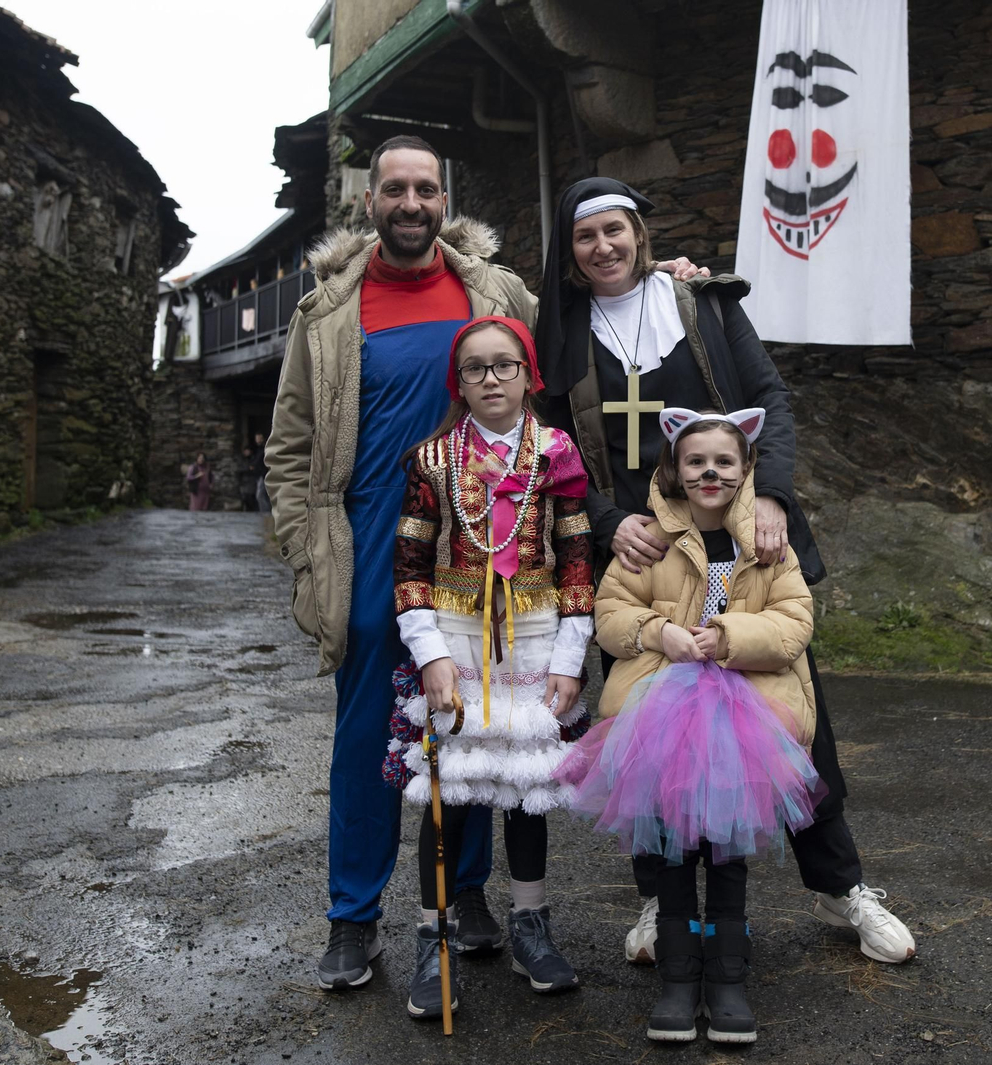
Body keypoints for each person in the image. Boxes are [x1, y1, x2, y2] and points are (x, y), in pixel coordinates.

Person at [264, 135, 706, 991]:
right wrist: (303, 545)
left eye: (424, 188)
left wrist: (666, 285)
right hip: (364, 540)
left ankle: (463, 896)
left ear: (443, 200)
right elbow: (290, 447)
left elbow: (587, 327)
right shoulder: (326, 312)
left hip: (487, 544)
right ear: (371, 203)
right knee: (367, 737)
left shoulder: (495, 291)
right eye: (394, 189)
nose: (410, 203)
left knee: (473, 715)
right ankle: (353, 918)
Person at [534, 177, 916, 966]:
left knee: (796, 727)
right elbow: (558, 453)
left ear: (640, 233)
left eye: (615, 230)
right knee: (644, 737)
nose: (603, 247)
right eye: (585, 237)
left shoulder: (699, 304)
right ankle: (658, 901)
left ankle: (845, 887)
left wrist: (770, 489)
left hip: (743, 543)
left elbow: (768, 396)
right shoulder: (562, 334)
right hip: (640, 558)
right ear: (568, 255)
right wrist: (610, 522)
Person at [560, 408, 823, 1044]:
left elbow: (795, 621)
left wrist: (731, 633)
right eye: (696, 461)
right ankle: (678, 978)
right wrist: (659, 632)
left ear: (747, 469)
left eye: (724, 462)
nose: (710, 472)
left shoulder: (766, 546)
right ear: (674, 470)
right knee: (671, 846)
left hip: (747, 711)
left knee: (727, 849)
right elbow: (610, 611)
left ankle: (726, 978)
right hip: (660, 710)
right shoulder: (650, 540)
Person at [384, 315, 592, 1019]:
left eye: (505, 365)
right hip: (455, 637)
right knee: (450, 792)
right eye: (475, 368)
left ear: (529, 374)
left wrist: (570, 656)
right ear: (459, 381)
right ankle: (432, 936)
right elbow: (410, 566)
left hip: (534, 637)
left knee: (525, 785)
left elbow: (577, 560)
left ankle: (531, 922)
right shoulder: (433, 460)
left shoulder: (557, 452)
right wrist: (431, 656)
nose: (491, 379)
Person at [253, 432, 271, 514]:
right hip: (260, 474)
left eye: (259, 438)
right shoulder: (258, 449)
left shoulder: (264, 448)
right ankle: (265, 511)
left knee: (260, 495)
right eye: (257, 438)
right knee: (262, 494)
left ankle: (265, 512)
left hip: (264, 474)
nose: (258, 440)